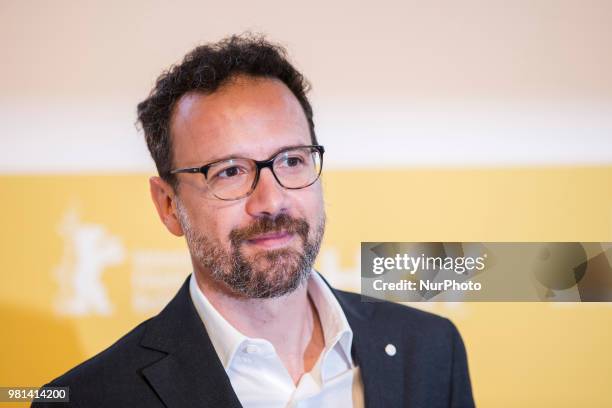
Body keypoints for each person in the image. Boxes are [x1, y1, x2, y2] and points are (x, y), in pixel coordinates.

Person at [33, 34, 475, 408]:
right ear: (168, 205)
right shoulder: (90, 397)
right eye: (229, 171)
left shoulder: (430, 350)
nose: (272, 199)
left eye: (292, 160)